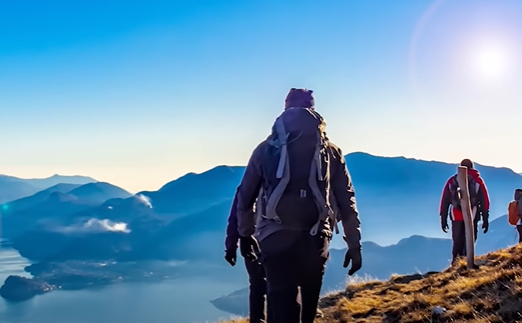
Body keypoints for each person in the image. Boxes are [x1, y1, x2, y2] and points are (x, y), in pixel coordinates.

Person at [234, 88, 362, 323]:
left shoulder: (266, 149)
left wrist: (244, 235)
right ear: (313, 109)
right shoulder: (330, 151)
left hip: (274, 236)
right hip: (315, 237)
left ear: (285, 109)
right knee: (309, 306)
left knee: (282, 306)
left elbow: (245, 196)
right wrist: (354, 244)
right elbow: (346, 198)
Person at [224, 186, 267, 323]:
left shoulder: (248, 186)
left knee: (256, 285)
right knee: (282, 284)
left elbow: (235, 218)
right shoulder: (288, 182)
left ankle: (257, 319)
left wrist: (231, 247)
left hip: (251, 242)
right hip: (281, 242)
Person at [439, 159, 490, 264]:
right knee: (470, 239)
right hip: (473, 213)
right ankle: (467, 262)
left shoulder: (453, 180)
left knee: (457, 240)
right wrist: (485, 218)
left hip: (456, 214)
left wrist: (443, 218)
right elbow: (484, 200)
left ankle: (455, 263)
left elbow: (445, 200)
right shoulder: (477, 181)